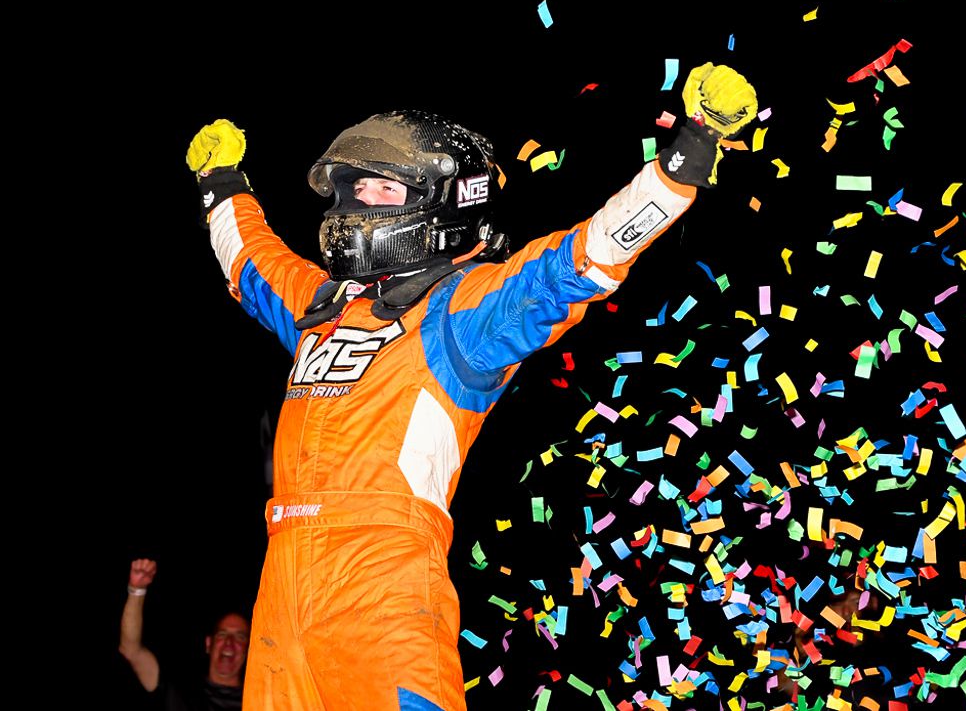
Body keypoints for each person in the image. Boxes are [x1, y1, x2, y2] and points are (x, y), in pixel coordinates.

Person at [186, 62, 757, 711]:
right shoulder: (324, 306)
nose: (354, 204)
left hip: (381, 581)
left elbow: (576, 264)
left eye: (378, 189)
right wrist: (222, 182)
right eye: (353, 189)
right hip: (281, 582)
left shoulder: (460, 313)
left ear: (439, 205)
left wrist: (684, 159)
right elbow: (253, 263)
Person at [119, 558, 250, 710]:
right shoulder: (179, 690)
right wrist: (137, 589)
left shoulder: (260, 701)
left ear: (249, 650)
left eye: (240, 637)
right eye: (222, 634)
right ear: (209, 644)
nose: (229, 642)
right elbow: (130, 650)